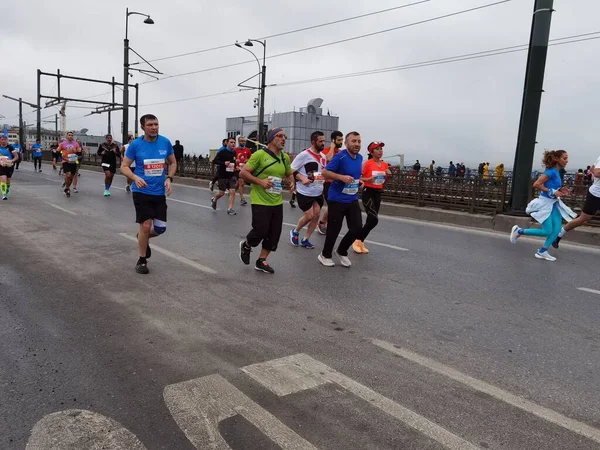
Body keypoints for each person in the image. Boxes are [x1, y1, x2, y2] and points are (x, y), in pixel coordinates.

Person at [121, 114, 176, 274]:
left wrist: (169, 178)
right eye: (150, 125)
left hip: (159, 192)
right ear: (143, 127)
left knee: (160, 229)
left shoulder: (165, 142)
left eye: (156, 124)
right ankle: (142, 260)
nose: (154, 127)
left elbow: (173, 163)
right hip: (141, 191)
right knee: (146, 225)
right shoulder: (135, 145)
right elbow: (124, 166)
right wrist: (135, 177)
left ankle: (142, 238)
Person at [239, 127, 294, 274]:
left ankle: (261, 260)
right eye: (280, 136)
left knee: (274, 233)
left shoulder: (285, 157)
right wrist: (260, 182)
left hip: (276, 201)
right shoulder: (259, 155)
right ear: (271, 139)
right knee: (260, 230)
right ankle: (246, 244)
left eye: (285, 136)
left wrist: (292, 182)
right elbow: (243, 172)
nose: (283, 139)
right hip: (260, 200)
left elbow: (289, 172)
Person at [509, 150, 576, 261]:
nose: (567, 161)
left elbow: (551, 187)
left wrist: (560, 190)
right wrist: (552, 191)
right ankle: (519, 231)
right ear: (557, 159)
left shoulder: (557, 172)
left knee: (557, 230)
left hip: (554, 204)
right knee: (547, 231)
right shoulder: (551, 172)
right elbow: (536, 184)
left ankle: (542, 251)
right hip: (545, 204)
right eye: (564, 158)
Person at [318, 131, 363, 268]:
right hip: (337, 198)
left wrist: (360, 182)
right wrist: (341, 178)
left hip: (352, 198)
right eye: (353, 141)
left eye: (359, 141)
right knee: (334, 229)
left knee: (357, 228)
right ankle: (325, 255)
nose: (356, 144)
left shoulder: (360, 158)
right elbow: (325, 172)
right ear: (346, 143)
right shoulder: (340, 157)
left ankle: (341, 251)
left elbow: (354, 175)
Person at [290, 131, 327, 249]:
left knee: (316, 215)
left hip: (318, 191)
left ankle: (306, 239)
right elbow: (290, 170)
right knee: (310, 215)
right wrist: (301, 178)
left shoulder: (323, 157)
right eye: (320, 141)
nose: (323, 144)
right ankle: (295, 231)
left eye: (324, 141)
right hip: (304, 191)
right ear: (313, 142)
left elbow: (322, 172)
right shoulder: (303, 155)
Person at [352, 141, 391, 254]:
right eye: (377, 149)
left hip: (378, 192)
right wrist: (368, 180)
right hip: (368, 192)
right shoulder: (367, 164)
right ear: (371, 152)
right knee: (374, 219)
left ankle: (360, 242)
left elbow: (384, 180)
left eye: (381, 149)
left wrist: (388, 174)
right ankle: (357, 240)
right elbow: (357, 177)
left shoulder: (384, 164)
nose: (380, 151)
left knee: (370, 220)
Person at [553, 157, 600, 248]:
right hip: (596, 195)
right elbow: (596, 172)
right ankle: (559, 235)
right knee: (583, 219)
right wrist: (594, 172)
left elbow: (592, 169)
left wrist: (594, 171)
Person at [317, 130, 343, 235]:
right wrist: (332, 147)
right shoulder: (326, 151)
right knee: (332, 205)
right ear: (333, 140)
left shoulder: (341, 152)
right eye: (339, 140)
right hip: (327, 182)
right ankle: (322, 223)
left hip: (337, 182)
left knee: (334, 205)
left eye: (342, 139)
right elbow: (328, 159)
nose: (341, 142)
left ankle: (324, 222)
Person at [211, 137, 238, 215]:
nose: (233, 144)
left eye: (234, 142)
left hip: (231, 175)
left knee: (232, 191)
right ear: (227, 143)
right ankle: (214, 199)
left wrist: (236, 164)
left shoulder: (234, 153)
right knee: (222, 193)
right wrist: (224, 163)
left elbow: (233, 163)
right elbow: (215, 161)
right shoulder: (222, 152)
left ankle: (230, 209)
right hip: (222, 175)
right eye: (231, 142)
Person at [58, 132, 82, 197]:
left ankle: (66, 188)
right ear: (66, 136)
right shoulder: (62, 144)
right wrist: (61, 156)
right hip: (65, 161)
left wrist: (75, 151)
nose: (70, 136)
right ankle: (68, 189)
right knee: (68, 175)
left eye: (72, 135)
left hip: (73, 161)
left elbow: (79, 153)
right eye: (69, 135)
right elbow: (58, 151)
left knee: (71, 177)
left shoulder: (76, 144)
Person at [234, 136, 252, 206]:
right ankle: (242, 199)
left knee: (239, 184)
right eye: (241, 141)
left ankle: (232, 191)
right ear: (239, 142)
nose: (243, 142)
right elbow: (232, 158)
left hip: (244, 169)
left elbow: (251, 159)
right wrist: (235, 161)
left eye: (244, 141)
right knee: (241, 183)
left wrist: (248, 160)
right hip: (237, 169)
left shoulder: (247, 150)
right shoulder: (235, 150)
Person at [0, 135, 19, 200]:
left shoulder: (11, 148)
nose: (3, 141)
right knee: (3, 179)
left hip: (9, 166)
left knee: (8, 181)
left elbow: (16, 157)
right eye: (2, 139)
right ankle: (4, 194)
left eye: (5, 139)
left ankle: (7, 188)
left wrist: (11, 161)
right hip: (1, 166)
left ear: (7, 140)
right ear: (0, 140)